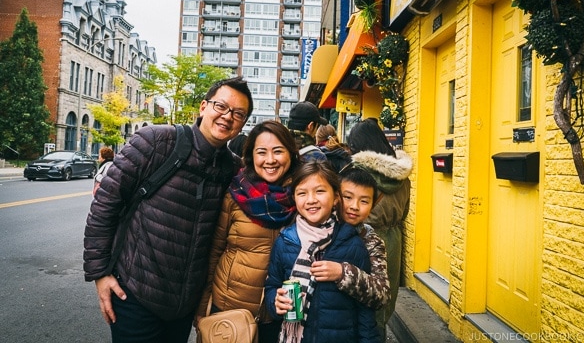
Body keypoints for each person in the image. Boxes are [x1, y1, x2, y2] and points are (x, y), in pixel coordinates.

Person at [83, 77, 253, 343]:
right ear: (203, 107)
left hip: (183, 307)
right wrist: (100, 274)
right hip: (135, 295)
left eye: (238, 113)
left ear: (243, 124)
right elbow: (105, 204)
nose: (227, 117)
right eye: (221, 106)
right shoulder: (156, 141)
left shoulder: (231, 169)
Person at [196, 120, 300, 343]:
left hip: (283, 312)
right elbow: (215, 250)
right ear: (251, 156)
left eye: (278, 151)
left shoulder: (304, 195)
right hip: (230, 307)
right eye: (261, 152)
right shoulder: (236, 193)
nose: (270, 160)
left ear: (291, 154)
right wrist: (203, 305)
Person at [265, 161, 379, 343]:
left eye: (319, 191)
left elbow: (366, 310)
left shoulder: (354, 245)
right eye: (302, 193)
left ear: (336, 197)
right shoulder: (285, 241)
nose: (311, 199)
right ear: (294, 198)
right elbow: (272, 285)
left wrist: (343, 273)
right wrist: (274, 302)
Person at [346, 118, 413, 340]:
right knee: (384, 298)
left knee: (362, 296)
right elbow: (404, 213)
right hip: (393, 239)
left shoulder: (358, 173)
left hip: (363, 239)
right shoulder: (403, 176)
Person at [309, 165, 390, 312]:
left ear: (373, 205)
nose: (354, 206)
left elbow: (382, 296)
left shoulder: (371, 241)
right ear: (335, 197)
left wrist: (343, 273)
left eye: (364, 201)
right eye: (347, 197)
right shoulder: (314, 229)